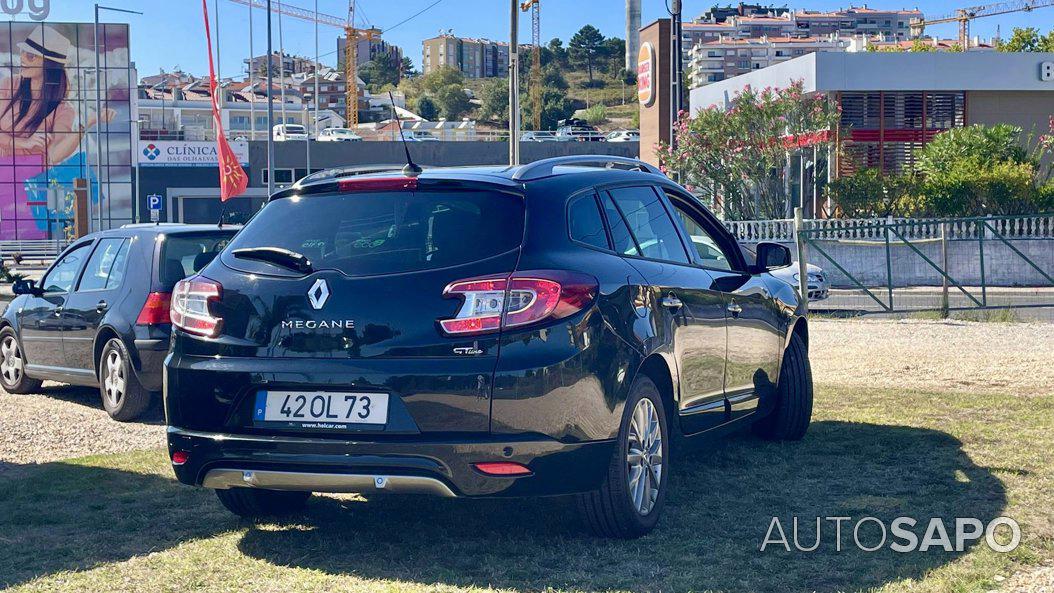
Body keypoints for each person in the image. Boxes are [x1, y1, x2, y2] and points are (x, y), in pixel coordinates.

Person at [0, 25, 114, 239]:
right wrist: (25, 143)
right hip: (4, 172)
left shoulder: (63, 110)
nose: (23, 57)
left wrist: (84, 125)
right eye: (23, 51)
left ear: (48, 64)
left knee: (79, 173)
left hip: (30, 178)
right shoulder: (8, 87)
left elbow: (53, 155)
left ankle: (75, 228)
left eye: (31, 55)